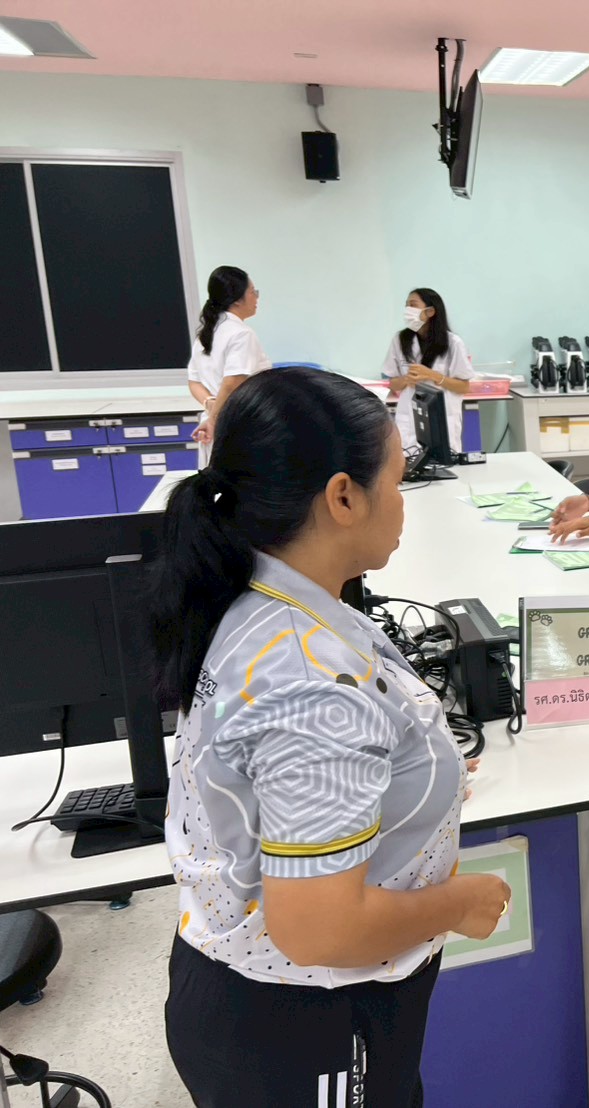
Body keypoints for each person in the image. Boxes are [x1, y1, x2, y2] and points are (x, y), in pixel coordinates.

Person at [149, 368, 510, 1107]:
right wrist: (460, 902)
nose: (403, 503)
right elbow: (320, 930)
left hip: (272, 995)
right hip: (307, 1017)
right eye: (397, 481)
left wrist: (408, 782)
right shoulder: (310, 685)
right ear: (343, 496)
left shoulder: (271, 602)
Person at [187, 265, 269, 457]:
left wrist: (209, 403)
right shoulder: (241, 334)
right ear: (238, 299)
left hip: (216, 425)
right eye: (253, 292)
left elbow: (194, 382)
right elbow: (232, 382)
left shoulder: (206, 334)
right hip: (235, 426)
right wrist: (214, 420)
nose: (256, 298)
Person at [382, 288, 474, 455]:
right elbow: (392, 383)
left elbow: (464, 386)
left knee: (442, 463)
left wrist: (433, 376)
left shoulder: (453, 343)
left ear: (430, 311)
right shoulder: (400, 340)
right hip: (409, 417)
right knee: (408, 461)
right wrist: (406, 380)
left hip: (442, 415)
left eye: (413, 305)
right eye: (406, 305)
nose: (408, 310)